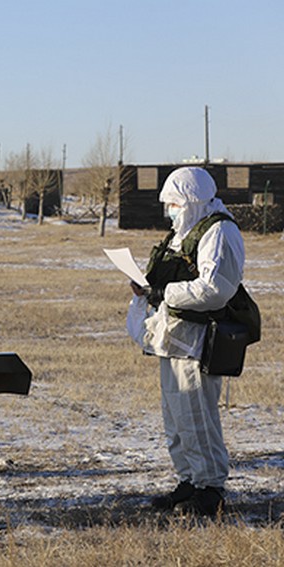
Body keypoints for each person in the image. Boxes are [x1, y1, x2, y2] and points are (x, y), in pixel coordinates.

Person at [126, 166, 245, 517]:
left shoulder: (219, 231)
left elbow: (215, 288)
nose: (170, 210)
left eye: (175, 203)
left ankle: (210, 488)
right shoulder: (183, 232)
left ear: (193, 200)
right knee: (176, 418)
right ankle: (189, 481)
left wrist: (164, 292)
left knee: (197, 416)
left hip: (198, 340)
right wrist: (146, 289)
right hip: (172, 337)